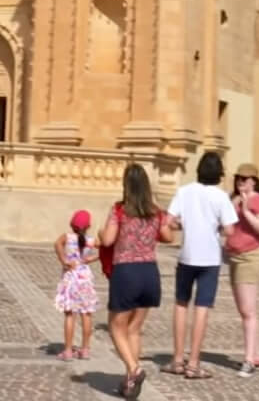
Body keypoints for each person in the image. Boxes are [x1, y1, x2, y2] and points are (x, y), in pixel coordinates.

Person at [165, 151, 236, 379]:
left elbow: (169, 221)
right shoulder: (221, 196)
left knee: (180, 304)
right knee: (202, 308)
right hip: (209, 258)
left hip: (187, 255)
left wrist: (185, 224)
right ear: (219, 173)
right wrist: (215, 227)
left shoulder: (184, 191)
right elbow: (230, 230)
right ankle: (193, 362)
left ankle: (177, 359)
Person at [101, 162, 166, 400]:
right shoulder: (156, 211)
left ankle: (134, 369)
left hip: (126, 272)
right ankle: (129, 382)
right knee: (134, 329)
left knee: (116, 327)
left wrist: (101, 232)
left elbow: (108, 240)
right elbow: (168, 236)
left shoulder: (119, 210)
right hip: (149, 272)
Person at [226, 163, 259, 376]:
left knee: (248, 310)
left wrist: (246, 212)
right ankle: (255, 354)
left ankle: (248, 360)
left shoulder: (258, 200)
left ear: (254, 181)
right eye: (238, 178)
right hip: (235, 258)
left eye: (245, 179)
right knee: (244, 310)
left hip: (251, 257)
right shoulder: (233, 199)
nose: (241, 182)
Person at [56, 210, 100, 361]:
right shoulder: (91, 240)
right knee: (86, 314)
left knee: (70, 314)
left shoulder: (67, 237)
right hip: (85, 277)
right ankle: (85, 349)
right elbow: (106, 250)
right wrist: (91, 258)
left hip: (70, 277)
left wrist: (64, 260)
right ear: (89, 225)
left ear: (71, 224)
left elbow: (57, 244)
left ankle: (68, 350)